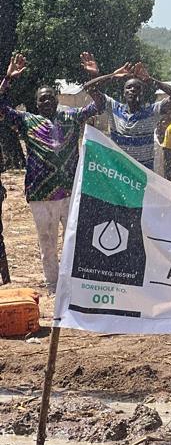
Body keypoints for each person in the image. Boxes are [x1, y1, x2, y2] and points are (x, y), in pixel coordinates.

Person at [0, 52, 111, 291]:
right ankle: (53, 286)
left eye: (50, 98)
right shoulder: (26, 121)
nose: (47, 102)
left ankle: (75, 284)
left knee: (75, 239)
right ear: (36, 103)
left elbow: (99, 105)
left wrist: (94, 77)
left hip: (71, 191)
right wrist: (8, 78)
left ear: (57, 100)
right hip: (40, 195)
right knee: (47, 244)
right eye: (42, 99)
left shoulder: (72, 116)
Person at [103, 62, 171, 170]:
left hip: (143, 175)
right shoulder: (114, 108)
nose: (132, 90)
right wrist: (111, 76)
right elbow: (90, 88)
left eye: (137, 88)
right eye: (129, 87)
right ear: (123, 93)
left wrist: (150, 80)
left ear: (142, 93)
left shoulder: (151, 112)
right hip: (119, 174)